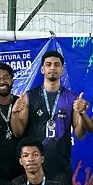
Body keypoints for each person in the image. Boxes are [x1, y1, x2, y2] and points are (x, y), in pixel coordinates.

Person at [11, 50, 85, 178]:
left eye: (56, 65)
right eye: (48, 64)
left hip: (61, 165)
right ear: (42, 69)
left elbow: (80, 134)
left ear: (62, 69)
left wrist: (82, 114)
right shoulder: (29, 97)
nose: (52, 68)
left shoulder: (72, 98)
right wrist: (14, 114)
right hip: (34, 165)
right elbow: (18, 132)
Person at [0, 63, 23, 181]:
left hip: (21, 167)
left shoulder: (22, 103)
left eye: (6, 77)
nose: (2, 81)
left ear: (13, 80)